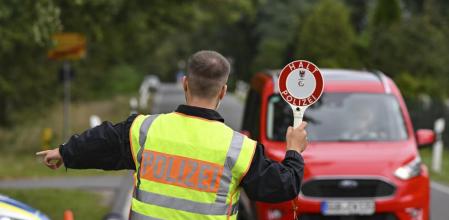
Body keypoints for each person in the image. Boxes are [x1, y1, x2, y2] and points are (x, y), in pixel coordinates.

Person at [36, 50, 308, 220]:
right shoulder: (240, 149)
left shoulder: (144, 130)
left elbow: (103, 140)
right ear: (223, 91)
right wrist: (294, 151)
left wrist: (64, 152)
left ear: (185, 84)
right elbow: (283, 187)